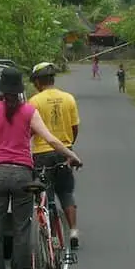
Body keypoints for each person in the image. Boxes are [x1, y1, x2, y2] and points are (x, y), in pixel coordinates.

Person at [0, 67, 81, 269]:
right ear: (20, 90)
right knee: (21, 229)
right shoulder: (29, 111)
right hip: (23, 173)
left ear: (2, 90)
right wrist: (72, 156)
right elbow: (51, 139)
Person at [28, 62, 82, 249]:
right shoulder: (69, 99)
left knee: (47, 195)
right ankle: (73, 231)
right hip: (64, 151)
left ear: (37, 81)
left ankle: (54, 237)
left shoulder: (34, 101)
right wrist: (69, 148)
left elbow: (30, 130)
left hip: (42, 154)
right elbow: (75, 127)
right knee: (66, 192)